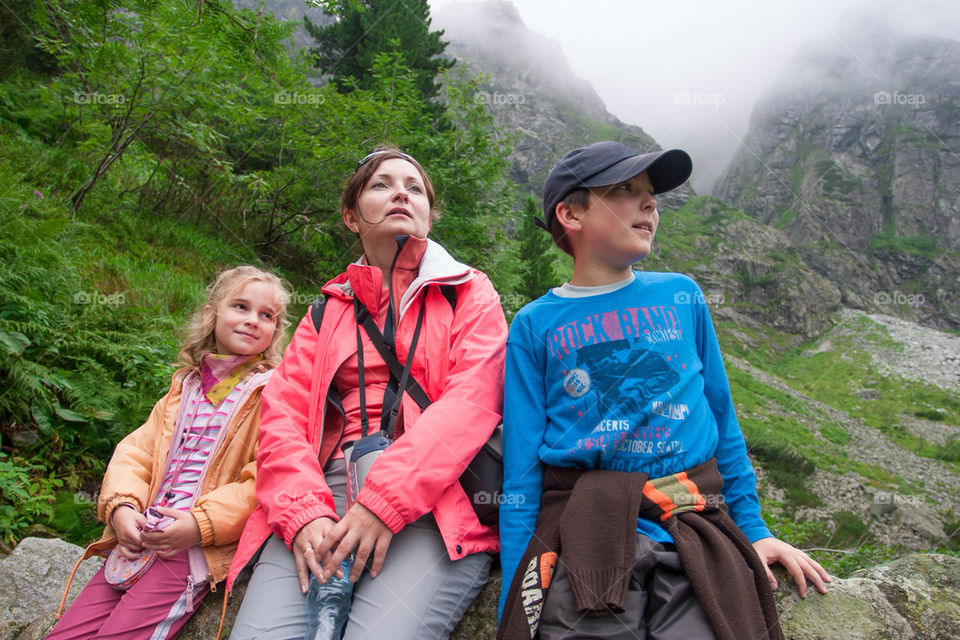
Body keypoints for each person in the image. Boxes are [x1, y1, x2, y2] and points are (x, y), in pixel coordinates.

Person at [497, 141, 831, 640]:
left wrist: (756, 532)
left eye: (651, 194)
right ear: (570, 213)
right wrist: (517, 598)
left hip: (692, 519)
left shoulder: (681, 295)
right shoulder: (534, 325)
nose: (650, 203)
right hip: (584, 530)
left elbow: (722, 421)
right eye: (626, 191)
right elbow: (522, 470)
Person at [228, 147, 508, 640]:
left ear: (428, 213)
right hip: (325, 492)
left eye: (414, 187)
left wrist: (384, 502)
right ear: (351, 217)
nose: (401, 192)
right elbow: (282, 418)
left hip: (433, 503)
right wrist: (302, 513)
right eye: (381, 184)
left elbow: (473, 402)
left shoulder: (470, 293)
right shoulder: (326, 310)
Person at [48, 265, 289, 640]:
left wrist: (199, 525)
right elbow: (137, 453)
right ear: (212, 315)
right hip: (140, 538)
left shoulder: (273, 392)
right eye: (240, 306)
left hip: (193, 553)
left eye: (266, 315)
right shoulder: (183, 387)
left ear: (276, 329)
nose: (253, 320)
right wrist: (123, 508)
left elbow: (265, 474)